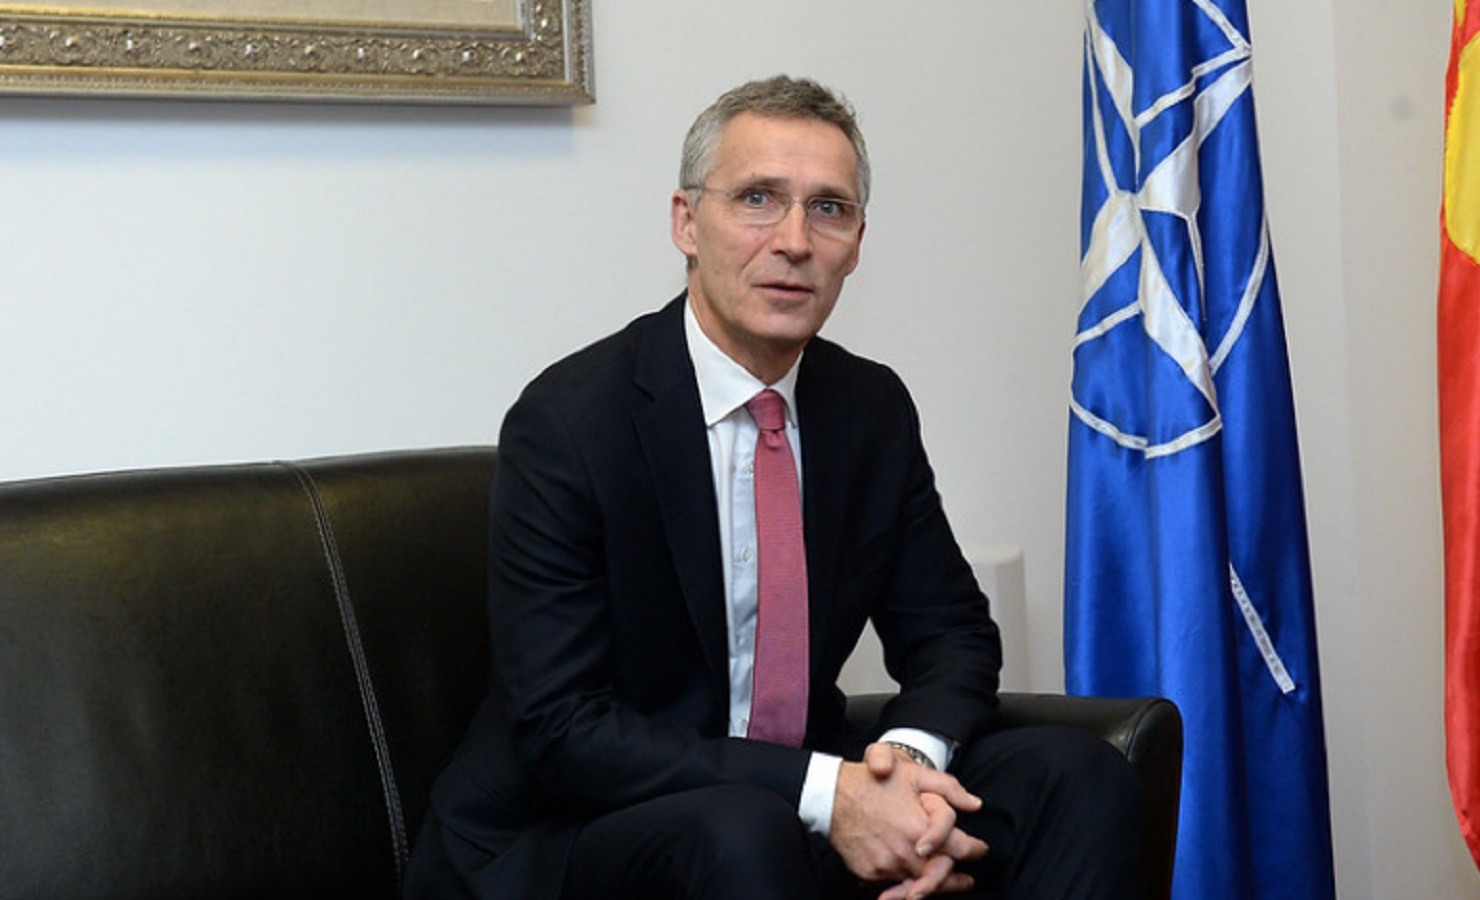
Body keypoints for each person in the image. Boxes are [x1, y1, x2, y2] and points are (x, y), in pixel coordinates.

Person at [405, 75, 1146, 900]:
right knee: (742, 831)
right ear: (686, 223)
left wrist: (901, 777)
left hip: (781, 806)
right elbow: (563, 729)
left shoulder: (867, 408)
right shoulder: (572, 421)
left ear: (856, 243)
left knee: (1077, 774)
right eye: (757, 199)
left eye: (828, 208)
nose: (794, 240)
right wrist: (831, 796)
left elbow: (951, 634)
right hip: (573, 828)